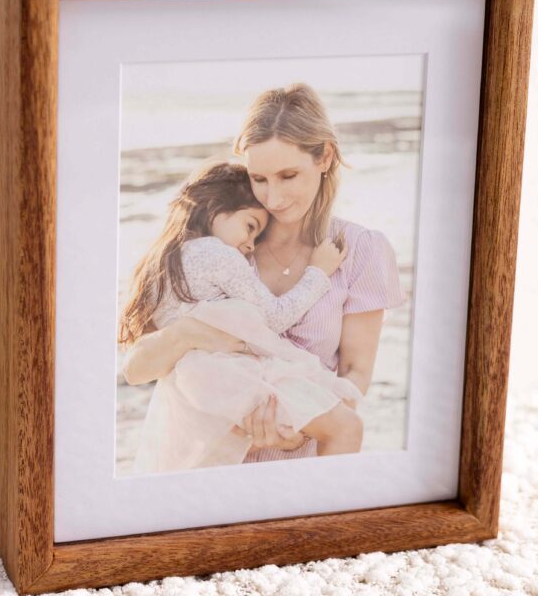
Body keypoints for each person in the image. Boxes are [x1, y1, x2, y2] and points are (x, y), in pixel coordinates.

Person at [122, 82, 407, 464]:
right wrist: (192, 333)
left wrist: (296, 424)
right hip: (211, 464)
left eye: (288, 176)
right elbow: (137, 369)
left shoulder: (359, 251)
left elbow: (356, 373)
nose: (273, 198)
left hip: (302, 464)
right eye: (259, 179)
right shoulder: (225, 239)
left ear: (324, 157)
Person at [118, 160, 363, 473]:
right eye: (250, 226)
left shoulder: (158, 267)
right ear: (214, 209)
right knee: (346, 427)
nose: (249, 246)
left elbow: (142, 359)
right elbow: (274, 317)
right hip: (232, 375)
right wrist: (319, 272)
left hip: (196, 391)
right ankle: (333, 515)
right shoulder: (215, 253)